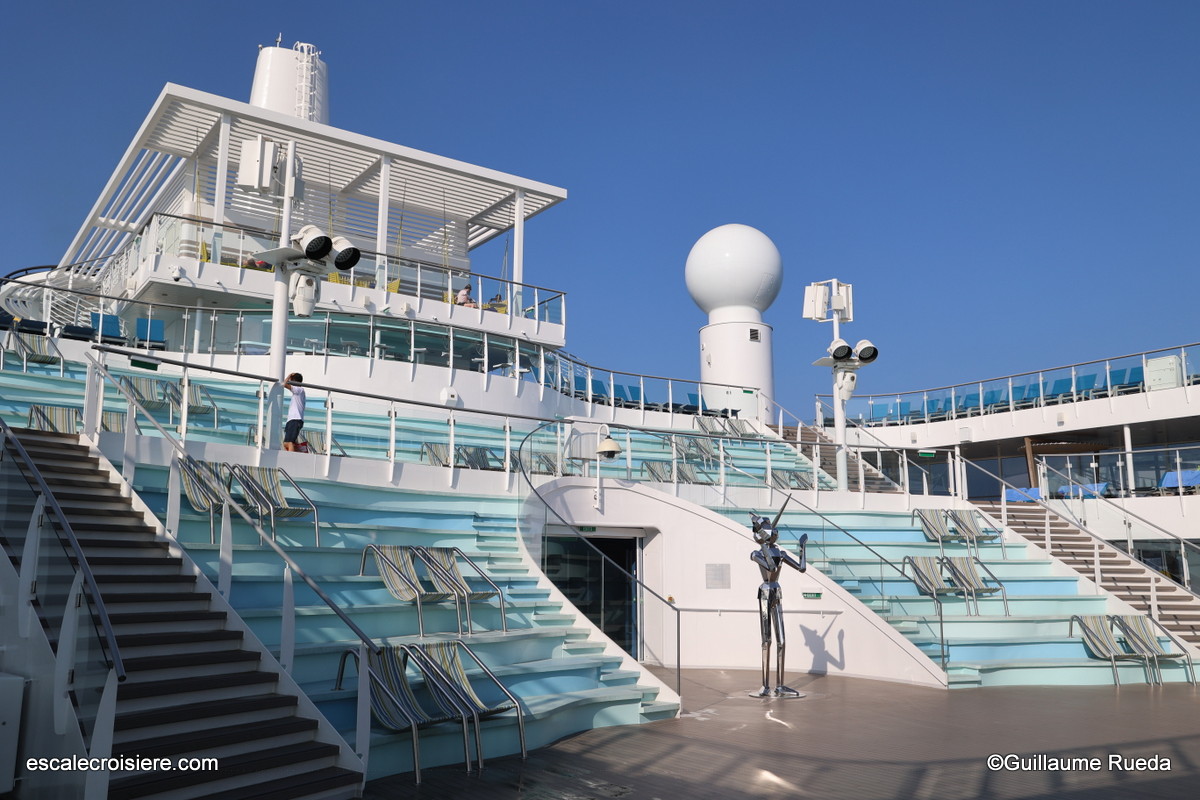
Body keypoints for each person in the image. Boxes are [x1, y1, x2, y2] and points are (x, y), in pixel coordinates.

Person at [748, 500, 808, 698]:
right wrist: (763, 544)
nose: (773, 532)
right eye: (769, 530)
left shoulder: (780, 552)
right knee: (767, 640)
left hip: (777, 591)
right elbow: (771, 568)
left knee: (781, 640)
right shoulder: (756, 553)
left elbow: (801, 568)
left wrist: (802, 548)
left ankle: (780, 685)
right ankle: (765, 686)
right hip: (765, 592)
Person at [283, 372, 306, 451]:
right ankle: (296, 457)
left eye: (291, 380)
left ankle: (290, 461)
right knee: (289, 443)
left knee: (288, 443)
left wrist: (289, 376)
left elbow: (284, 384)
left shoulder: (299, 389)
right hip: (294, 419)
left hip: (295, 419)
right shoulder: (299, 391)